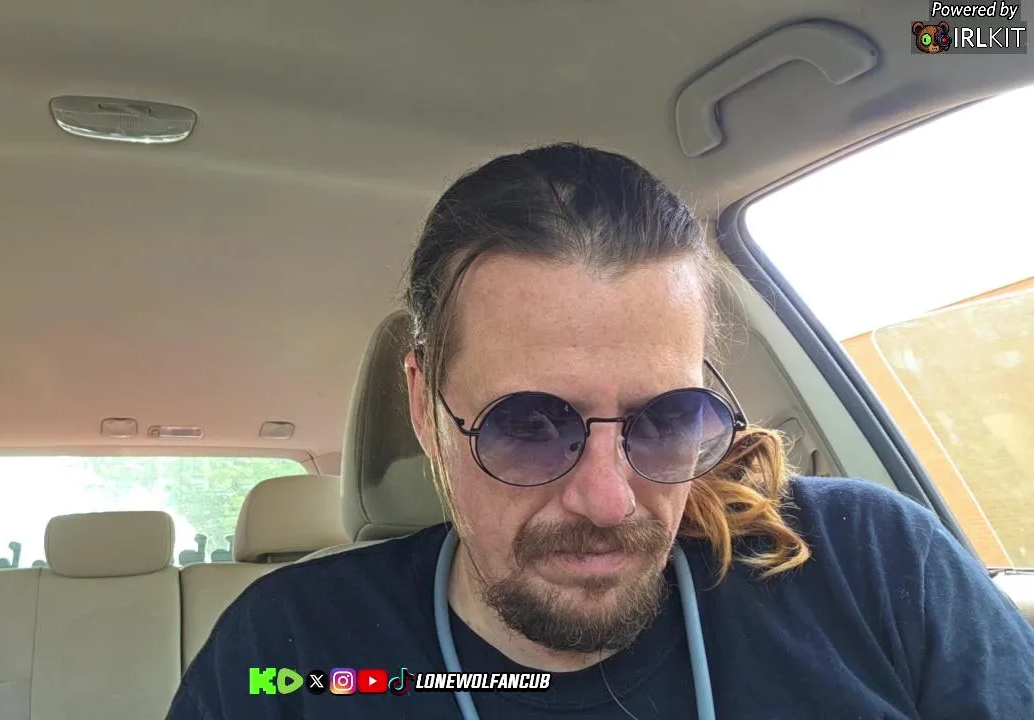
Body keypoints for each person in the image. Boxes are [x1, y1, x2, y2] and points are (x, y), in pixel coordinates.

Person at [166, 143, 1034, 719]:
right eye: (529, 425)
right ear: (428, 410)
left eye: (667, 419)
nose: (610, 500)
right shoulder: (292, 656)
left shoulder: (876, 571)